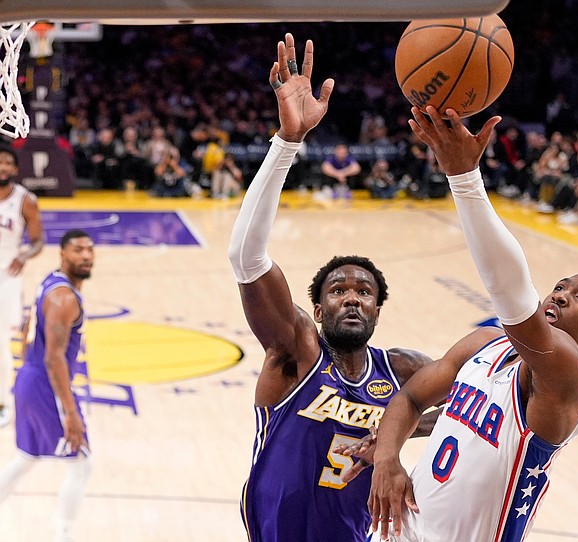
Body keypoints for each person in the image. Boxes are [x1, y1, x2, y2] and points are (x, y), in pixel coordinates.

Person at [363, 106, 578, 542]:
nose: (559, 294)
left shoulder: (566, 376)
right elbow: (411, 398)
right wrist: (388, 458)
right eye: (560, 286)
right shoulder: (485, 343)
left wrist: (464, 179)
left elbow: (511, 293)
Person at [227, 33, 437, 542]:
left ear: (378, 312)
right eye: (338, 290)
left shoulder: (402, 370)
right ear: (317, 310)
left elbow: (477, 405)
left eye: (364, 292)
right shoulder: (295, 350)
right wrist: (287, 143)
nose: (351, 297)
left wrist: (394, 437)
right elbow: (246, 258)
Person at [0, 229, 94, 542]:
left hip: (29, 376)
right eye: (78, 250)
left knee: (28, 457)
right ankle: (63, 536)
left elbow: (28, 331)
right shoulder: (65, 298)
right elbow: (55, 359)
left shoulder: (50, 281)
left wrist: (28, 372)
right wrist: (70, 413)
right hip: (45, 383)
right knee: (81, 462)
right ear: (63, 253)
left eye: (90, 250)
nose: (86, 256)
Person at [0, 147, 44, 427]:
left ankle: (3, 401)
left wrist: (25, 255)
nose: (2, 166)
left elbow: (38, 241)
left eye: (7, 162)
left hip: (6, 274)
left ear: (15, 169)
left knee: (0, 340)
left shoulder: (26, 200)